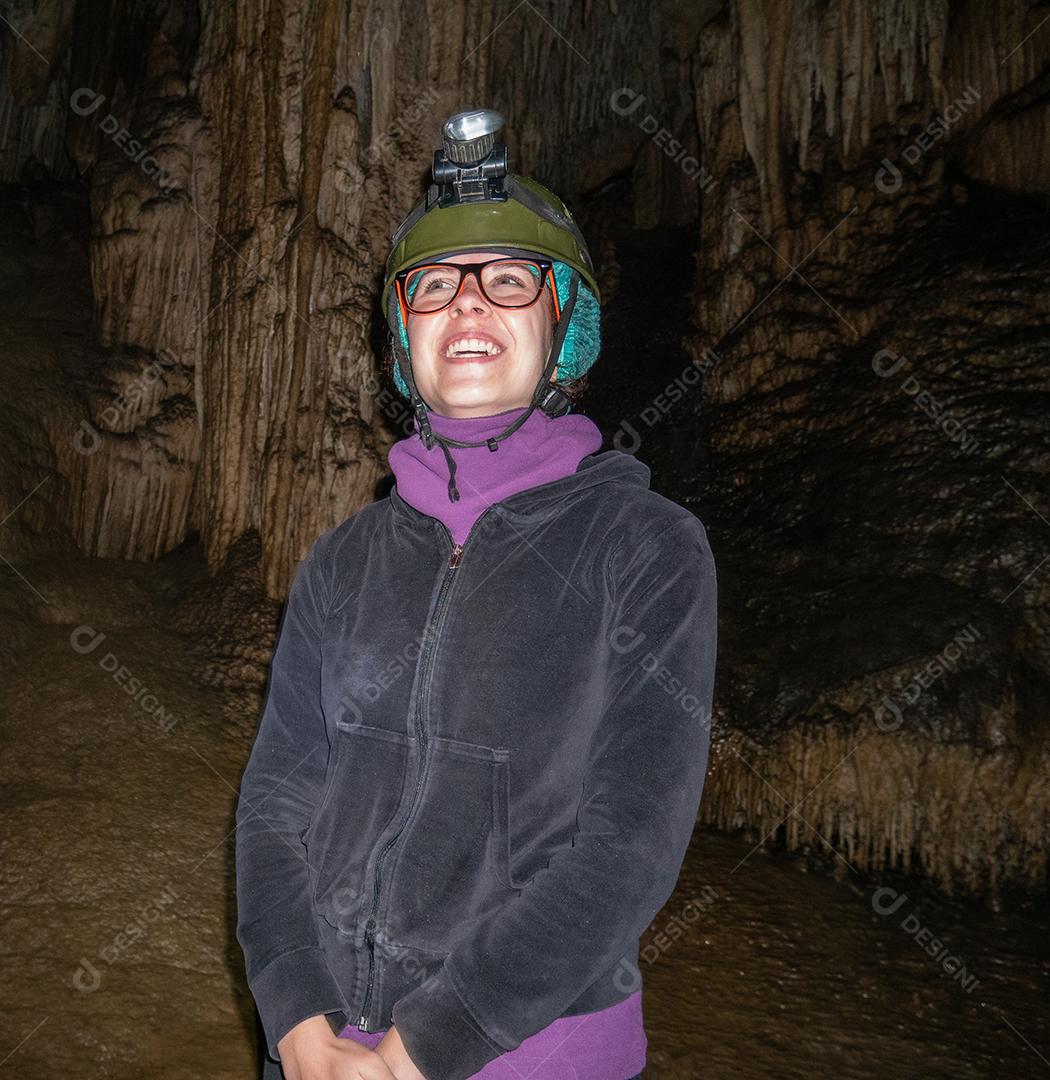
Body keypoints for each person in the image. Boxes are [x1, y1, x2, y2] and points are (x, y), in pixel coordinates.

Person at [235, 110, 718, 1080]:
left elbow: (629, 849)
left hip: (532, 1050)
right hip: (321, 1047)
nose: (467, 306)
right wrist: (294, 1016)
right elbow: (274, 807)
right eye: (435, 287)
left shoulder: (649, 551)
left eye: (507, 282)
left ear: (562, 328)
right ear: (402, 336)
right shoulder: (341, 562)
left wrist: (429, 1044)